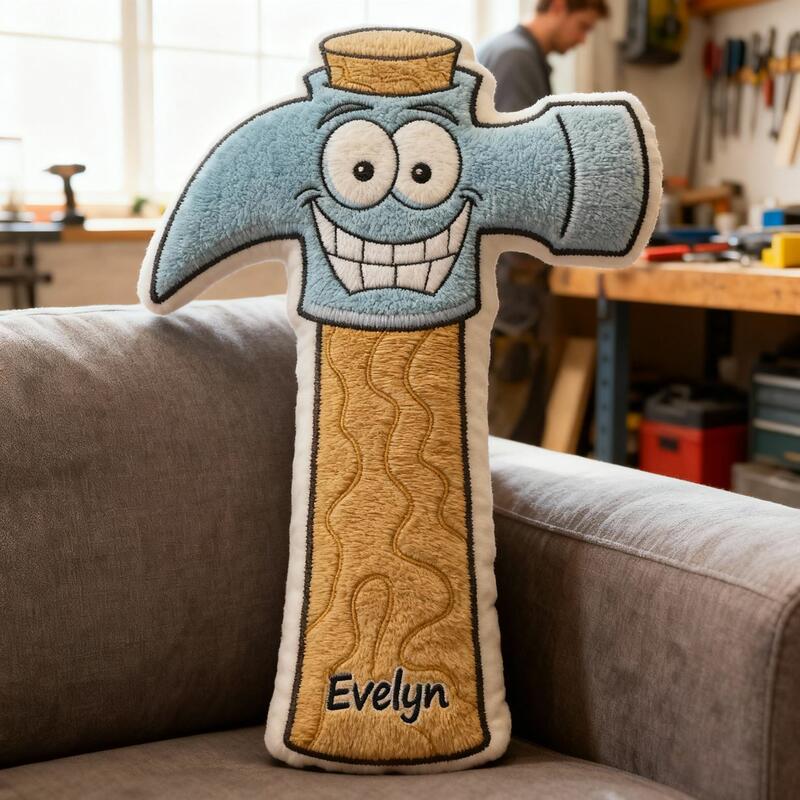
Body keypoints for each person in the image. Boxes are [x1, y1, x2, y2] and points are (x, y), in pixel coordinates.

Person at [478, 0, 608, 446]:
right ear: (557, 7)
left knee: (501, 393)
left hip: (502, 257)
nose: (582, 40)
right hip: (511, 264)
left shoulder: (504, 50)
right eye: (582, 26)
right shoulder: (517, 58)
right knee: (509, 396)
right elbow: (524, 165)